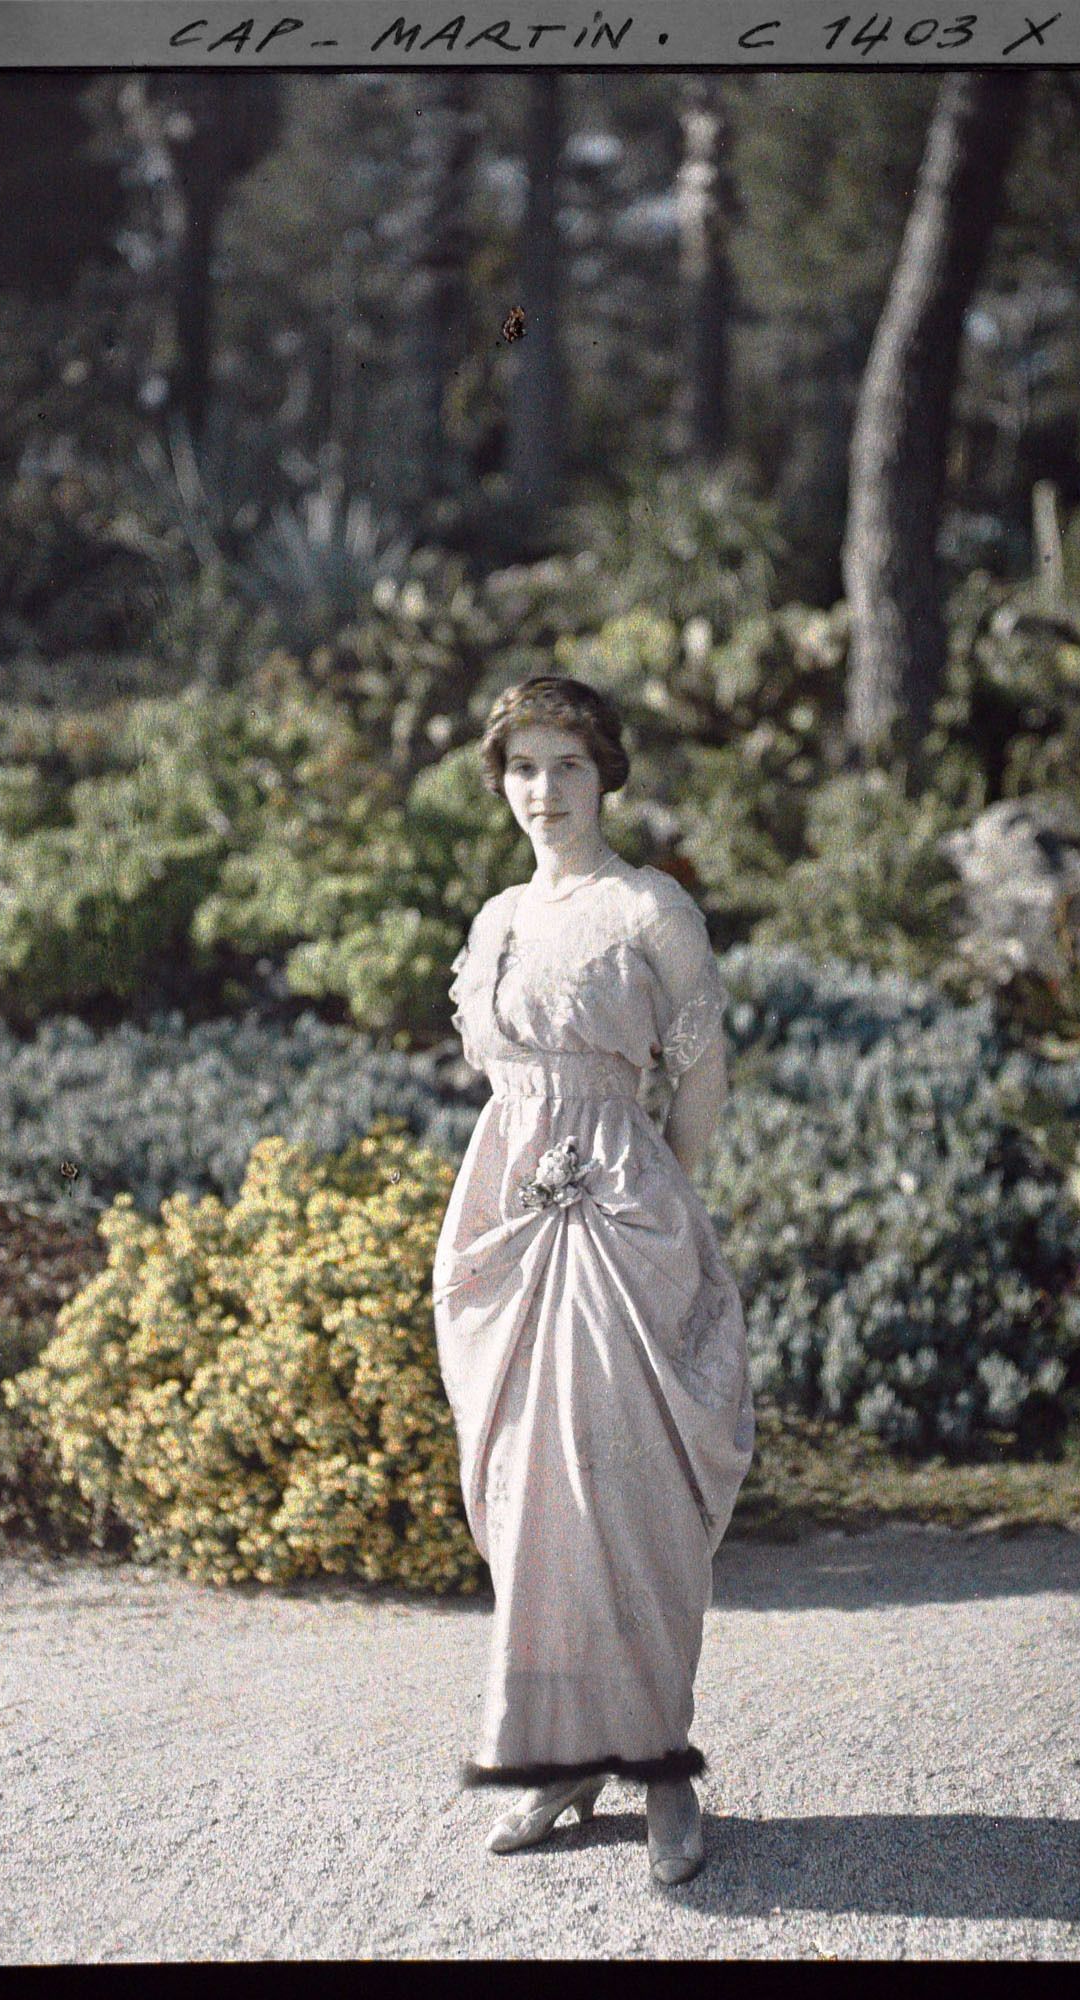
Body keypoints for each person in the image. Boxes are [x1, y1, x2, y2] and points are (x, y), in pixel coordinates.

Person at [432, 675, 755, 1887]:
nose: (544, 790)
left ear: (603, 772)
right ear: (500, 779)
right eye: (523, 765)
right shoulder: (498, 916)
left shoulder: (647, 905)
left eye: (568, 764)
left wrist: (653, 1195)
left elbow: (702, 1070)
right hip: (509, 1217)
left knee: (625, 1495)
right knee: (528, 1502)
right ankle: (563, 1760)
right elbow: (506, 1077)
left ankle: (662, 1769)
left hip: (622, 1215)